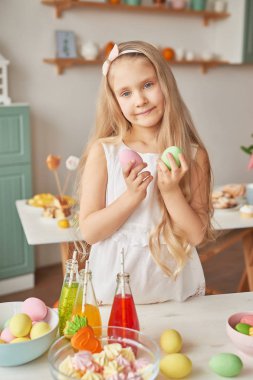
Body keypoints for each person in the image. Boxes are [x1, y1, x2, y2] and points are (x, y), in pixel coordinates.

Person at [78, 41, 213, 304]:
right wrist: (131, 197)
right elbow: (90, 232)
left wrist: (170, 191)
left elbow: (197, 235)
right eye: (125, 93)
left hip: (174, 291)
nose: (140, 100)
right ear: (115, 101)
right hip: (113, 294)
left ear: (166, 85)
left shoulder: (194, 155)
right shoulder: (105, 152)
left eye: (148, 85)